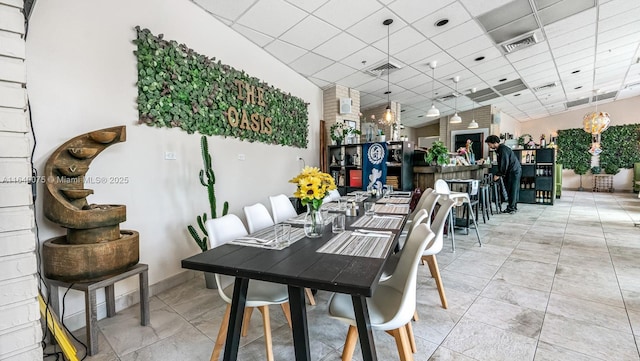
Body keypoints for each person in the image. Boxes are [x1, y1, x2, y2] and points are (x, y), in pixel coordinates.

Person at [485, 135, 521, 214]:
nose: (489, 146)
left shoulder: (502, 149)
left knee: (512, 189)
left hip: (513, 171)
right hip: (514, 170)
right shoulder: (500, 149)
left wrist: (498, 174)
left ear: (494, 143)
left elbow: (504, 164)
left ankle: (511, 208)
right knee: (513, 189)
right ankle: (513, 207)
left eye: (489, 144)